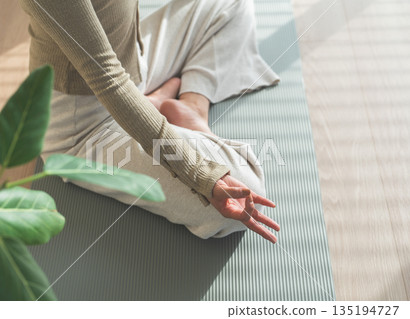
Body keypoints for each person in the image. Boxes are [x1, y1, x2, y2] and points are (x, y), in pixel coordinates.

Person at [18, 0, 281, 242]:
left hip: (131, 61)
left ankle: (191, 108)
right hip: (83, 128)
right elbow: (107, 78)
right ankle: (161, 112)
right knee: (245, 200)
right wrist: (200, 174)